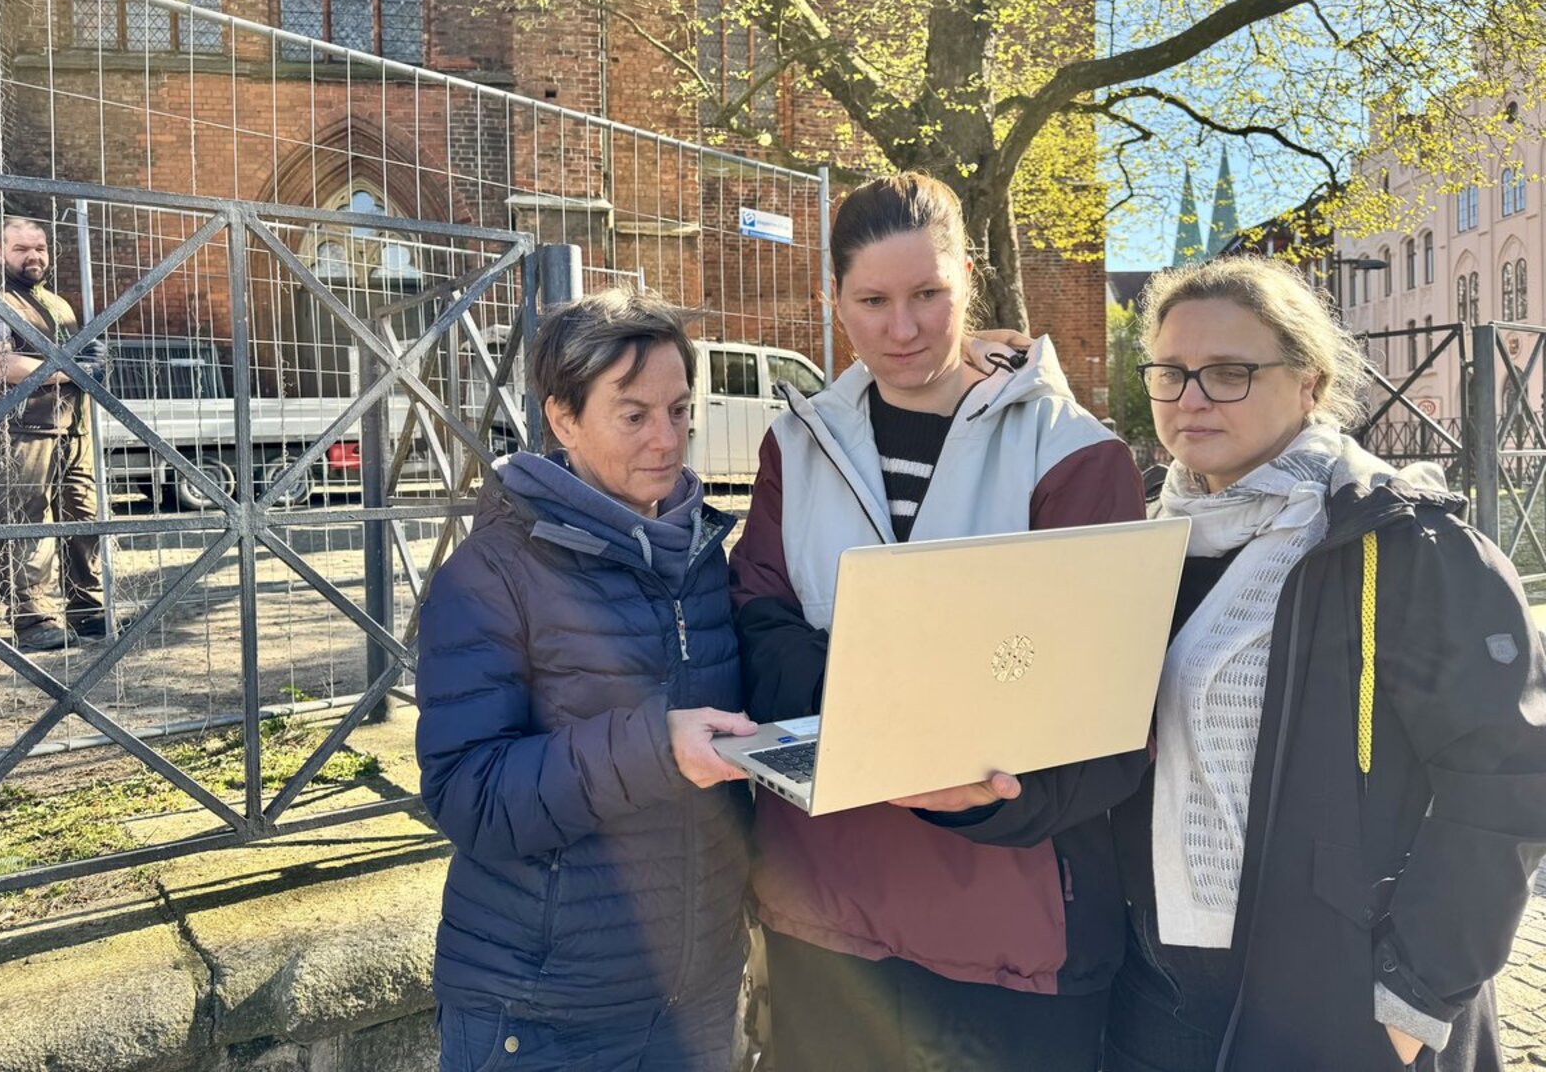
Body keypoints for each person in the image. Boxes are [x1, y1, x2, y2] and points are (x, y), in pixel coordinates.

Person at [729, 172, 1150, 1071]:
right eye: (873, 301)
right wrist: (891, 718)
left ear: (970, 281)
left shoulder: (1073, 454)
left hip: (1008, 923)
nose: (903, 329)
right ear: (833, 298)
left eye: (929, 294)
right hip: (825, 911)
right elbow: (756, 620)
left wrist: (984, 791)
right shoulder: (796, 444)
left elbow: (1111, 703)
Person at [1102, 255, 1546, 1072]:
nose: (1191, 398)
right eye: (1170, 372)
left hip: (1335, 997)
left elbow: (1506, 780)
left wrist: (1418, 993)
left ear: (1309, 382)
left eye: (1229, 372)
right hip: (1155, 988)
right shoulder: (1141, 541)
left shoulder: (1406, 545)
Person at [415, 287, 758, 1072]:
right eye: (633, 415)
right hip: (545, 1015)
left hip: (697, 997)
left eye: (679, 410)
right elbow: (469, 794)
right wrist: (653, 749)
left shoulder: (703, 558)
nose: (666, 440)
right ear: (563, 419)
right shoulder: (491, 574)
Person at [0, 216, 109, 652]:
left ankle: (88, 610)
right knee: (26, 527)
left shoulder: (57, 304)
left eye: (39, 248)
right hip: (14, 432)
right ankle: (33, 619)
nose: (33, 256)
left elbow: (80, 363)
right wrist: (73, 369)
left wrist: (94, 362)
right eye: (20, 249)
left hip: (71, 429)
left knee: (84, 521)